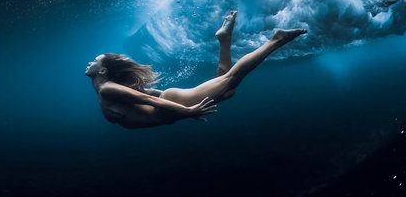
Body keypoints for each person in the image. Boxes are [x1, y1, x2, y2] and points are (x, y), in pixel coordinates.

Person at [85, 11, 307, 129]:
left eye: (94, 60)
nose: (90, 63)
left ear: (103, 71)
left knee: (231, 79)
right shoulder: (108, 89)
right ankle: (224, 39)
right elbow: (147, 98)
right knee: (228, 90)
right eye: (95, 60)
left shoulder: (107, 90)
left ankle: (276, 40)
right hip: (172, 107)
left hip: (173, 105)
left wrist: (189, 111)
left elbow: (155, 102)